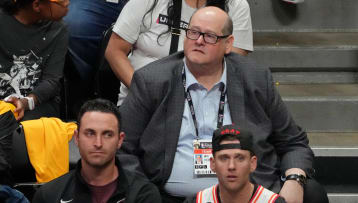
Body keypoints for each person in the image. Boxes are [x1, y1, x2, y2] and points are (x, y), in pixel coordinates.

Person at [118, 6, 328, 203]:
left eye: (209, 36)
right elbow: (122, 148)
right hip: (170, 197)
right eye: (193, 32)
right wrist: (144, 192)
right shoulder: (152, 80)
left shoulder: (254, 78)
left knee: (312, 192)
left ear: (228, 44)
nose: (198, 41)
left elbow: (293, 142)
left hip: (247, 196)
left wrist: (295, 179)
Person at [105, 0, 253, 106]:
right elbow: (114, 50)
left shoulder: (236, 5)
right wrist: (144, 91)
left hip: (204, 103)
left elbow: (233, 64)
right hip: (143, 101)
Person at [32, 99, 162, 203]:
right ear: (76, 138)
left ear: (120, 140)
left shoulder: (143, 195)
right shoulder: (50, 195)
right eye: (90, 133)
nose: (98, 143)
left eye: (107, 134)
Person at [0, 0, 69, 121]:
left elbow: (52, 81)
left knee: (20, 130)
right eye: (61, 1)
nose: (67, 3)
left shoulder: (59, 29)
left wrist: (26, 102)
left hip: (39, 103)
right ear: (37, 5)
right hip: (3, 104)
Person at [185, 125, 286, 203]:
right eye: (224, 158)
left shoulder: (272, 201)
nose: (231, 166)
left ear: (252, 163)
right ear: (213, 164)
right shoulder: (198, 201)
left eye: (240, 158)